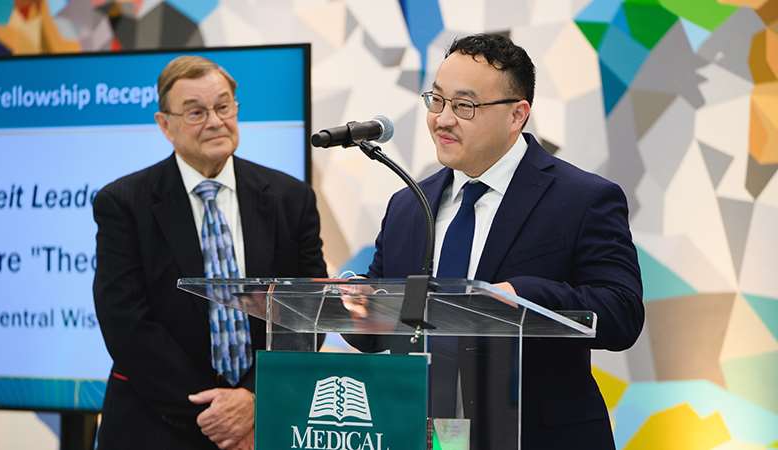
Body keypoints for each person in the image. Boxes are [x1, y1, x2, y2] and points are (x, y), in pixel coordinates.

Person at [349, 34, 644, 449]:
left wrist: (521, 296)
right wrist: (351, 303)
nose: (443, 119)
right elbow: (376, 332)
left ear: (517, 115)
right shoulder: (408, 205)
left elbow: (622, 313)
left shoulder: (582, 199)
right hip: (422, 435)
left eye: (464, 106)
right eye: (437, 100)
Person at [92, 55, 327, 450]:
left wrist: (252, 398)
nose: (216, 121)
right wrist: (216, 412)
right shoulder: (124, 203)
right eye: (196, 112)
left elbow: (309, 310)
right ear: (165, 125)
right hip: (156, 423)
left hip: (263, 420)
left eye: (223, 106)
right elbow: (125, 320)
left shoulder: (291, 199)